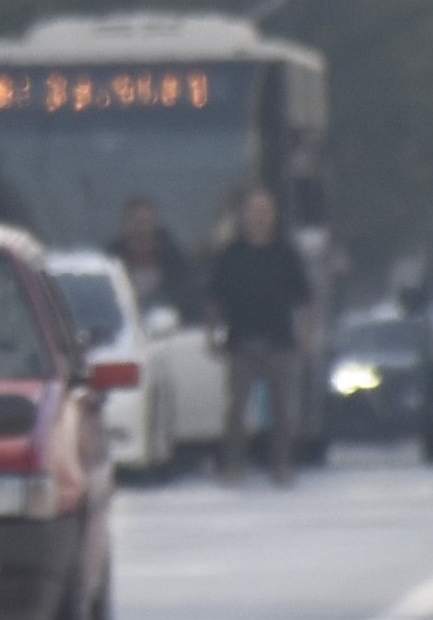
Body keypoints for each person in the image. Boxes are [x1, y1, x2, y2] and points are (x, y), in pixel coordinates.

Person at [206, 188, 317, 486]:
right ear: (243, 216)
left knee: (282, 410)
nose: (258, 217)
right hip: (240, 342)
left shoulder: (286, 254)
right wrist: (212, 336)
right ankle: (233, 466)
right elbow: (215, 300)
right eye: (253, 211)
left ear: (273, 216)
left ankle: (281, 466)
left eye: (264, 211)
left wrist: (306, 334)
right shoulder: (230, 255)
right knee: (235, 412)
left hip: (279, 343)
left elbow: (305, 299)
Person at [110, 194, 190, 327]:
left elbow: (186, 299)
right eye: (135, 221)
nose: (140, 227)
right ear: (125, 224)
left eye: (145, 221)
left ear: (155, 222)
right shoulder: (110, 260)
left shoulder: (174, 260)